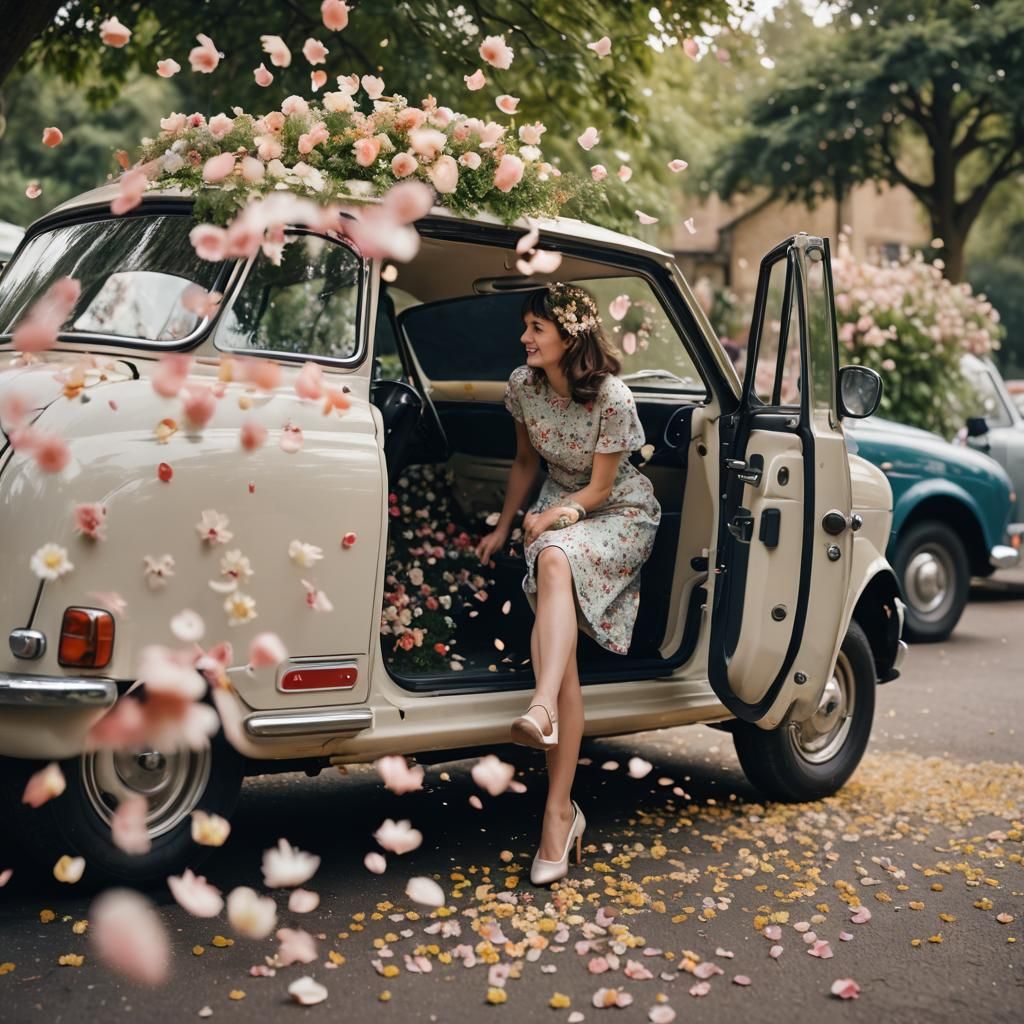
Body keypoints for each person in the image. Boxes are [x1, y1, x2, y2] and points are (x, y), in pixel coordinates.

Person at [474, 282, 662, 885]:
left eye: (536, 327)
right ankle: (559, 812)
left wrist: (554, 517)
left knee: (553, 552)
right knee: (553, 568)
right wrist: (505, 525)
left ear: (569, 335)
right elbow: (526, 463)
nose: (524, 337)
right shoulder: (522, 386)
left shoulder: (612, 397)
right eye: (526, 325)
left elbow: (603, 490)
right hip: (556, 508)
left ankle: (540, 705)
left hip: (618, 514)